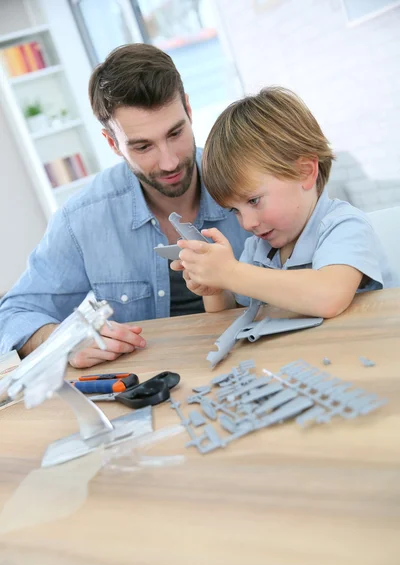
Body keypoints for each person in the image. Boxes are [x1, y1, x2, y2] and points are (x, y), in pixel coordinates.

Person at [0, 44, 250, 367]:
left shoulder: (247, 182)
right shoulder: (83, 219)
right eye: (143, 146)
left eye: (175, 133)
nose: (170, 161)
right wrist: (67, 342)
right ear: (112, 144)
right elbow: (13, 315)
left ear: (188, 109)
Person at [172, 87, 395, 317]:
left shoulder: (345, 226)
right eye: (235, 211)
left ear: (305, 173)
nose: (247, 224)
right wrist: (216, 289)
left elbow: (329, 296)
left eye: (254, 200)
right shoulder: (258, 249)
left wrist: (230, 272)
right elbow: (233, 318)